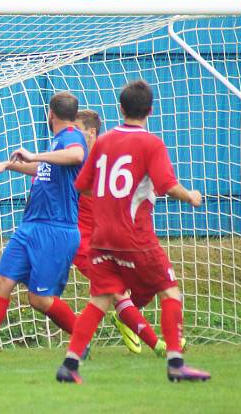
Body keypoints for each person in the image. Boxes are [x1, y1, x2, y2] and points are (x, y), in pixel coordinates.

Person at [56, 80, 209, 384]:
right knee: (169, 290)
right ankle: (176, 362)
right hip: (134, 236)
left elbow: (82, 186)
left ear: (121, 108)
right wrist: (190, 195)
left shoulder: (103, 142)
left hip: (101, 238)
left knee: (100, 299)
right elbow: (166, 185)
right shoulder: (151, 143)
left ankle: (70, 365)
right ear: (150, 110)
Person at [0, 92, 85, 366]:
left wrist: (34, 154)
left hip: (56, 229)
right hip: (30, 226)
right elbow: (43, 168)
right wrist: (9, 165)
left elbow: (76, 155)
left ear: (51, 113)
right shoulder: (57, 143)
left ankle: (82, 337)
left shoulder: (72, 136)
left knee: (39, 299)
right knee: (1, 283)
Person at [73, 110, 164, 357]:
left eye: (77, 128)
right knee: (114, 291)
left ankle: (126, 319)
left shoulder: (106, 158)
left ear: (91, 132)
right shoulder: (74, 158)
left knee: (140, 284)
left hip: (109, 235)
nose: (72, 133)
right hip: (81, 239)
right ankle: (156, 343)